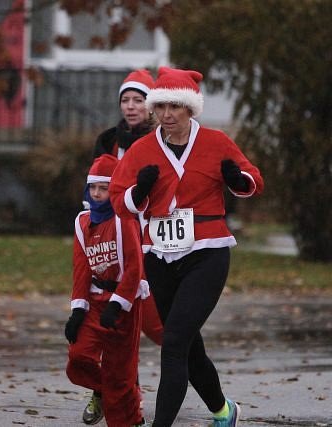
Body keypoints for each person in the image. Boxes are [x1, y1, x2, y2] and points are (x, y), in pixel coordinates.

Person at [109, 67, 264, 427]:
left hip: (207, 252)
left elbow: (253, 179)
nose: (166, 115)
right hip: (160, 255)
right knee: (188, 344)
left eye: (175, 107)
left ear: (190, 109)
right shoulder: (141, 149)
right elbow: (119, 201)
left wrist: (236, 179)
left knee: (174, 342)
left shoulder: (216, 142)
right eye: (160, 107)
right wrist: (139, 192)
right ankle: (225, 411)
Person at [75, 69, 164, 425]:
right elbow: (97, 188)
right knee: (111, 328)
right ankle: (109, 394)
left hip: (151, 236)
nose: (130, 107)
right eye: (125, 100)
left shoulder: (160, 139)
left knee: (155, 326)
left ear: (151, 105)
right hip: (114, 235)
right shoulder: (108, 139)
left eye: (138, 100)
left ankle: (192, 369)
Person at [65, 154, 149, 427]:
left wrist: (118, 304)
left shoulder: (124, 219)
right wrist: (78, 309)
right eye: (93, 188)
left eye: (104, 188)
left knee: (120, 374)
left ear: (114, 190)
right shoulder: (82, 222)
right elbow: (81, 267)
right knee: (78, 359)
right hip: (94, 300)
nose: (98, 194)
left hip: (123, 304)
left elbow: (135, 268)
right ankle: (107, 391)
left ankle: (131, 418)